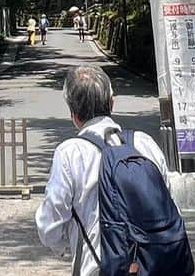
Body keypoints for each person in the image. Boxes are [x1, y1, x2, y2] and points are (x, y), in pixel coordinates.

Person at [36, 64, 171, 276]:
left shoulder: (71, 153)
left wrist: (68, 245)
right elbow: (170, 206)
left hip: (98, 268)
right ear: (111, 103)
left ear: (73, 113)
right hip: (156, 266)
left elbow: (49, 226)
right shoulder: (145, 144)